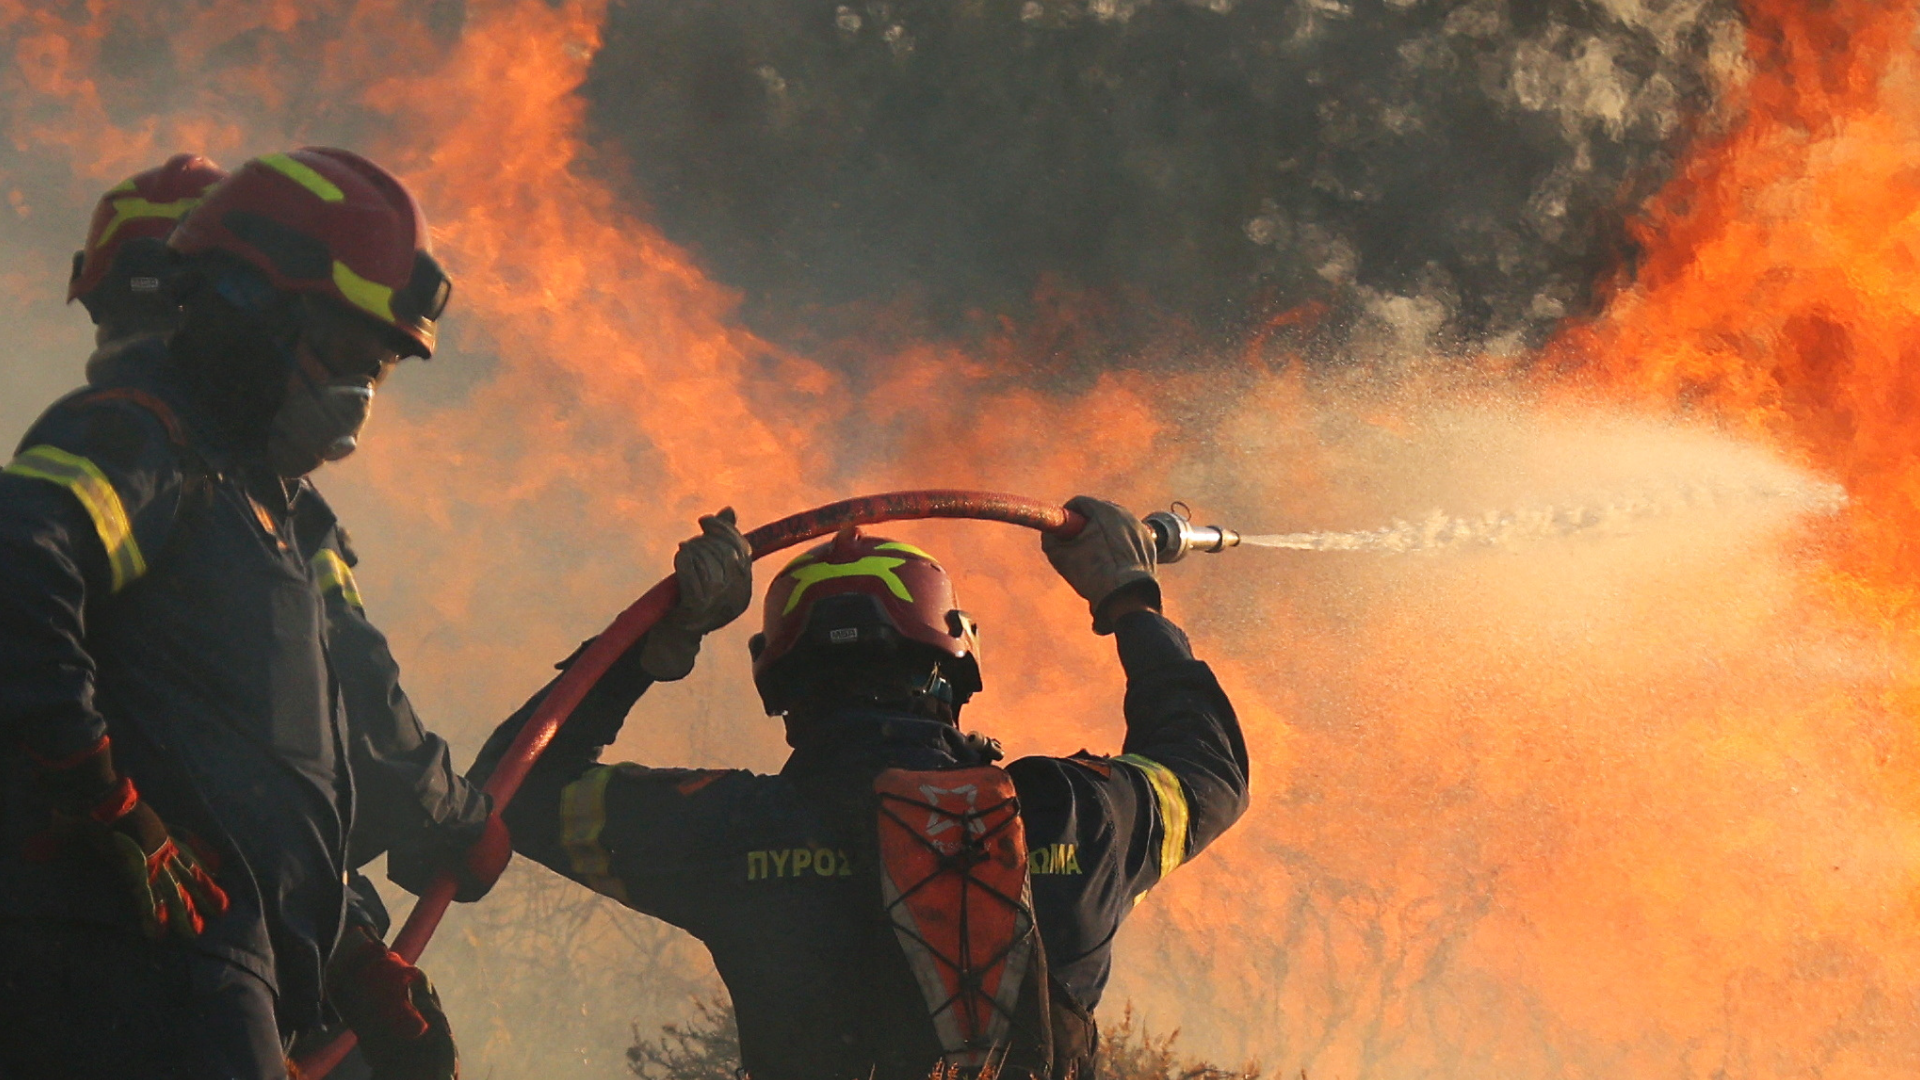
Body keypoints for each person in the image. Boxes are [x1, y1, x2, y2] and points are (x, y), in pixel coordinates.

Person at [0, 148, 505, 1080]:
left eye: (377, 369)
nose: (357, 396)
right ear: (251, 314)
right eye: (346, 356)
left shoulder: (256, 503)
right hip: (133, 961)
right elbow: (17, 566)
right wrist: (105, 799)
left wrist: (343, 944)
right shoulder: (146, 436)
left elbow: (249, 771)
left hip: (223, 965)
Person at [475, 496, 1250, 1079]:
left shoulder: (729, 830)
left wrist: (654, 642)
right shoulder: (1069, 815)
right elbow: (1209, 767)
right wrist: (1129, 600)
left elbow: (511, 789)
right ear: (955, 669)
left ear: (780, 690)